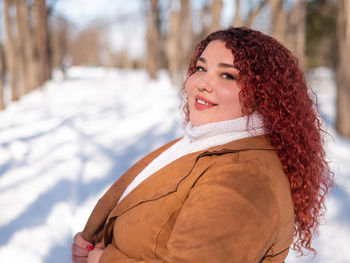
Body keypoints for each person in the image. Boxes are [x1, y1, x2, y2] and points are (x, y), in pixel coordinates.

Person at [71, 27, 333, 263]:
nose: (203, 84)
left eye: (228, 76)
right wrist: (96, 240)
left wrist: (102, 260)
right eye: (201, 68)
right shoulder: (205, 142)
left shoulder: (243, 179)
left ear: (264, 94)